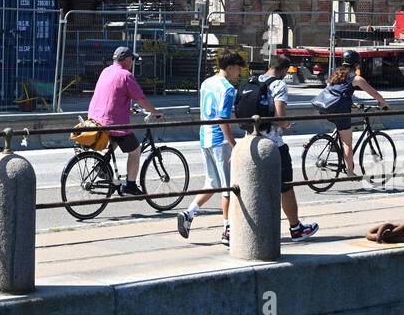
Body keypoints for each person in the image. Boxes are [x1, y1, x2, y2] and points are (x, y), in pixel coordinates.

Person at [176, 51, 243, 246]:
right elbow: (223, 119)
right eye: (238, 69)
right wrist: (234, 145)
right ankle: (227, 230)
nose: (238, 73)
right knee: (228, 187)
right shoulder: (228, 89)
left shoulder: (206, 83)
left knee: (212, 182)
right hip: (220, 140)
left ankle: (189, 213)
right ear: (230, 67)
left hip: (204, 137)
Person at [86, 46, 163, 196]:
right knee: (135, 150)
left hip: (96, 119)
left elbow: (111, 97)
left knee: (115, 140)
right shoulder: (125, 75)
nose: (132, 62)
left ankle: (101, 166)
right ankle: (131, 186)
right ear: (127, 60)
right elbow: (141, 99)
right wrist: (155, 112)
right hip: (113, 123)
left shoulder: (106, 71)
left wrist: (127, 110)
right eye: (132, 59)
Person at [257, 54, 318, 241]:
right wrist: (288, 125)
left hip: (252, 141)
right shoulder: (279, 85)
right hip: (274, 145)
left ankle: (251, 229)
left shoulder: (255, 81)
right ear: (284, 70)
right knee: (286, 187)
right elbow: (280, 117)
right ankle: (296, 228)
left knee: (254, 188)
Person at [312, 51, 390, 176]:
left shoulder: (336, 75)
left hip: (326, 108)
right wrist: (384, 103)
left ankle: (333, 143)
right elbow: (374, 93)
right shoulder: (356, 78)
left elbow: (339, 94)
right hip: (339, 111)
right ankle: (350, 171)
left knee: (342, 129)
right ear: (356, 64)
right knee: (347, 143)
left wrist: (353, 105)